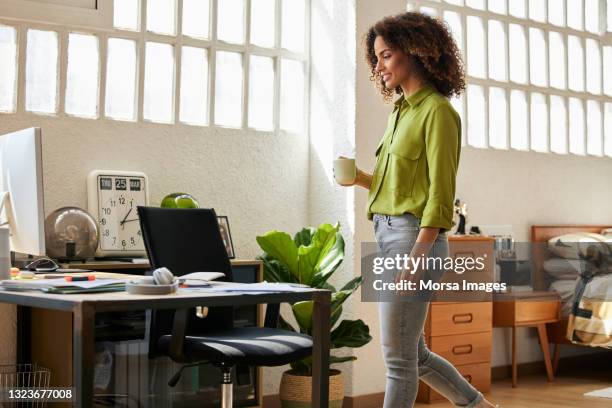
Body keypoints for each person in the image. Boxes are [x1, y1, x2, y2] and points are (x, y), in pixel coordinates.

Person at [338, 12, 497, 408]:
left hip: (414, 242)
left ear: (415, 52)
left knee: (398, 358)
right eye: (375, 58)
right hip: (388, 236)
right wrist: (359, 178)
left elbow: (440, 195)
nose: (379, 67)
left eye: (386, 55)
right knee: (414, 354)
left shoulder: (439, 112)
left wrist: (416, 258)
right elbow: (400, 187)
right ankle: (478, 406)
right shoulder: (400, 112)